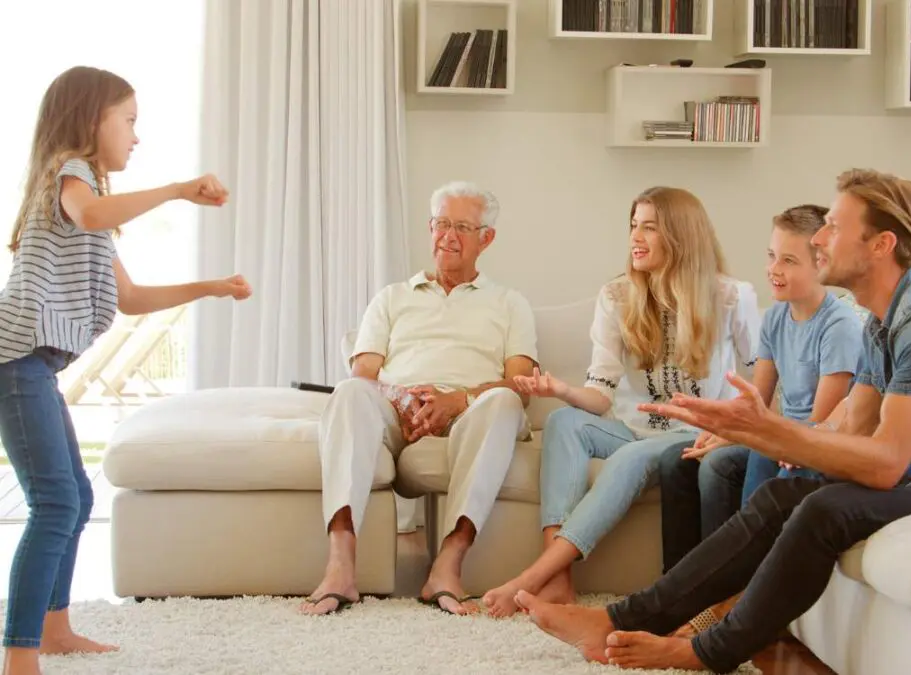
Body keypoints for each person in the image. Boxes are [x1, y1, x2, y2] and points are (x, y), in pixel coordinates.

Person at [512, 168, 911, 673]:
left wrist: (765, 430)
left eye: (832, 226)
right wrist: (749, 430)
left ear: (881, 245)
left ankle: (708, 651)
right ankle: (622, 618)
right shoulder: (882, 319)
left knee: (823, 508)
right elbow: (849, 431)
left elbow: (885, 464)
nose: (819, 238)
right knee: (785, 495)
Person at [0, 66, 251, 675]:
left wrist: (211, 287)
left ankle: (53, 629)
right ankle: (19, 655)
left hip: (34, 365)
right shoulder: (73, 172)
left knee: (74, 496)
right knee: (56, 501)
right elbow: (87, 214)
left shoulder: (89, 201)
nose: (136, 136)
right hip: (17, 362)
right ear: (93, 121)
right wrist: (175, 190)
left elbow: (129, 297)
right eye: (130, 121)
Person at [480, 186, 760, 618]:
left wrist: (728, 427)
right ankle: (558, 580)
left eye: (650, 227)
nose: (636, 237)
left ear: (681, 236)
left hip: (691, 433)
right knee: (563, 422)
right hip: (630, 428)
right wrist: (561, 391)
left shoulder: (731, 296)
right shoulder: (616, 297)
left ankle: (532, 576)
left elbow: (761, 377)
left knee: (629, 459)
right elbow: (600, 393)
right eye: (633, 226)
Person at [299, 181, 537, 617]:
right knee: (351, 392)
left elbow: (520, 384)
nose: (448, 235)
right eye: (441, 223)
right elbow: (364, 374)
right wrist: (400, 397)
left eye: (462, 226)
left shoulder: (510, 303)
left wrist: (457, 400)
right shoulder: (392, 297)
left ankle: (446, 568)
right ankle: (340, 567)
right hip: (396, 409)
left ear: (487, 238)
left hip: (472, 413)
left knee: (504, 404)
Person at [658, 204, 863, 578]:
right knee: (679, 458)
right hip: (781, 436)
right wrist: (721, 430)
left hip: (810, 445)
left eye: (788, 260)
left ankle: (731, 582)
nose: (773, 269)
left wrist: (744, 435)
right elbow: (757, 398)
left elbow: (818, 425)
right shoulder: (775, 318)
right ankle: (682, 580)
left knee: (726, 463)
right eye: (771, 256)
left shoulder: (840, 327)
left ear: (821, 264)